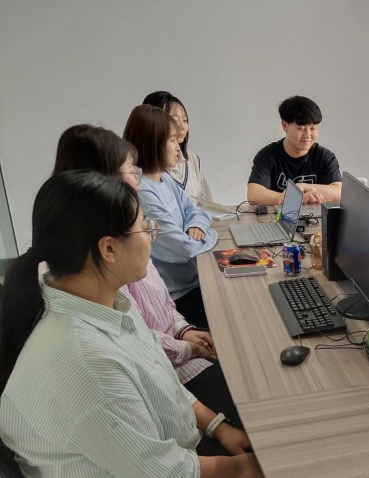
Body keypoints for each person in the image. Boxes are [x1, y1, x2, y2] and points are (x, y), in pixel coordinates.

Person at [0, 171, 310, 478]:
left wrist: (219, 428)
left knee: (275, 471)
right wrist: (244, 468)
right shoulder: (84, 360)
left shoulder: (104, 306)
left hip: (137, 474)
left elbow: (162, 381)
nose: (151, 237)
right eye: (146, 228)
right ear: (108, 248)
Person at [52, 124, 243, 430]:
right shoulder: (104, 261)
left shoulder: (129, 228)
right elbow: (139, 342)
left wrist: (183, 331)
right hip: (168, 372)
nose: (137, 178)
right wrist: (188, 348)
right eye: (131, 170)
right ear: (103, 178)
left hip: (173, 356)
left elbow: (160, 300)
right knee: (247, 386)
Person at [123, 104, 217, 328]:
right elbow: (184, 248)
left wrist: (198, 226)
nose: (178, 147)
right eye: (172, 140)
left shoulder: (164, 179)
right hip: (177, 296)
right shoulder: (144, 192)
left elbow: (197, 211)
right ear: (153, 143)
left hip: (192, 281)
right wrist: (211, 234)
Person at [247, 95, 342, 206]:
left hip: (316, 217)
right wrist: (294, 198)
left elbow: (339, 193)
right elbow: (254, 195)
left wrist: (303, 187)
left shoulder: (324, 157)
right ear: (284, 126)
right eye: (300, 129)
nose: (308, 135)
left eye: (313, 128)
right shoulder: (267, 156)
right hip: (278, 216)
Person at [143, 90, 213, 206]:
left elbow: (206, 205)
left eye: (185, 120)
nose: (183, 127)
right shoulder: (144, 171)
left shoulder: (193, 160)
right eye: (175, 121)